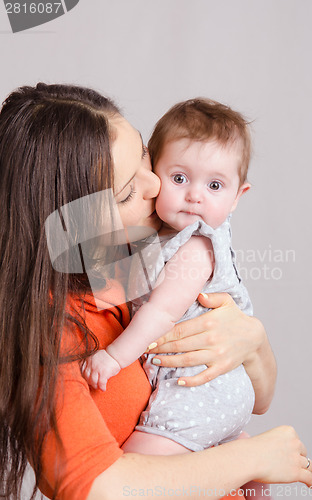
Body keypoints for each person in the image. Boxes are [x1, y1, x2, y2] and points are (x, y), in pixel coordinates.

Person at [0, 83, 312, 500]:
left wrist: (253, 341)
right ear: (72, 221)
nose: (155, 185)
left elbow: (260, 398)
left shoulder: (135, 259)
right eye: (129, 189)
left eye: (146, 157)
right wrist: (253, 457)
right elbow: (101, 490)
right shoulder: (49, 332)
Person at [79, 98, 264, 499]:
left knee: (136, 469)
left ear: (237, 196)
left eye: (214, 186)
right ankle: (243, 461)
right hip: (207, 390)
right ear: (154, 170)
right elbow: (107, 277)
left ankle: (244, 462)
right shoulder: (158, 236)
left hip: (198, 391)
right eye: (179, 178)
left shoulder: (197, 246)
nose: (195, 196)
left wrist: (112, 358)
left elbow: (161, 313)